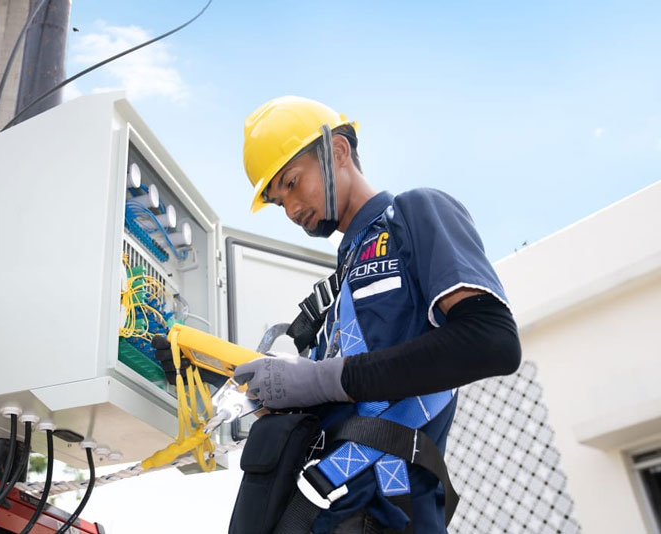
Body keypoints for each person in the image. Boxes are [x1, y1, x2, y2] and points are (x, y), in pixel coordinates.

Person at [156, 96, 521, 534]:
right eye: (278, 201)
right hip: (315, 513)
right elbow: (341, 400)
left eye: (292, 183)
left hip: (383, 517)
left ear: (338, 151)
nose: (291, 209)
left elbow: (491, 341)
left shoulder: (414, 213)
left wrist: (321, 380)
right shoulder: (335, 293)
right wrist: (223, 377)